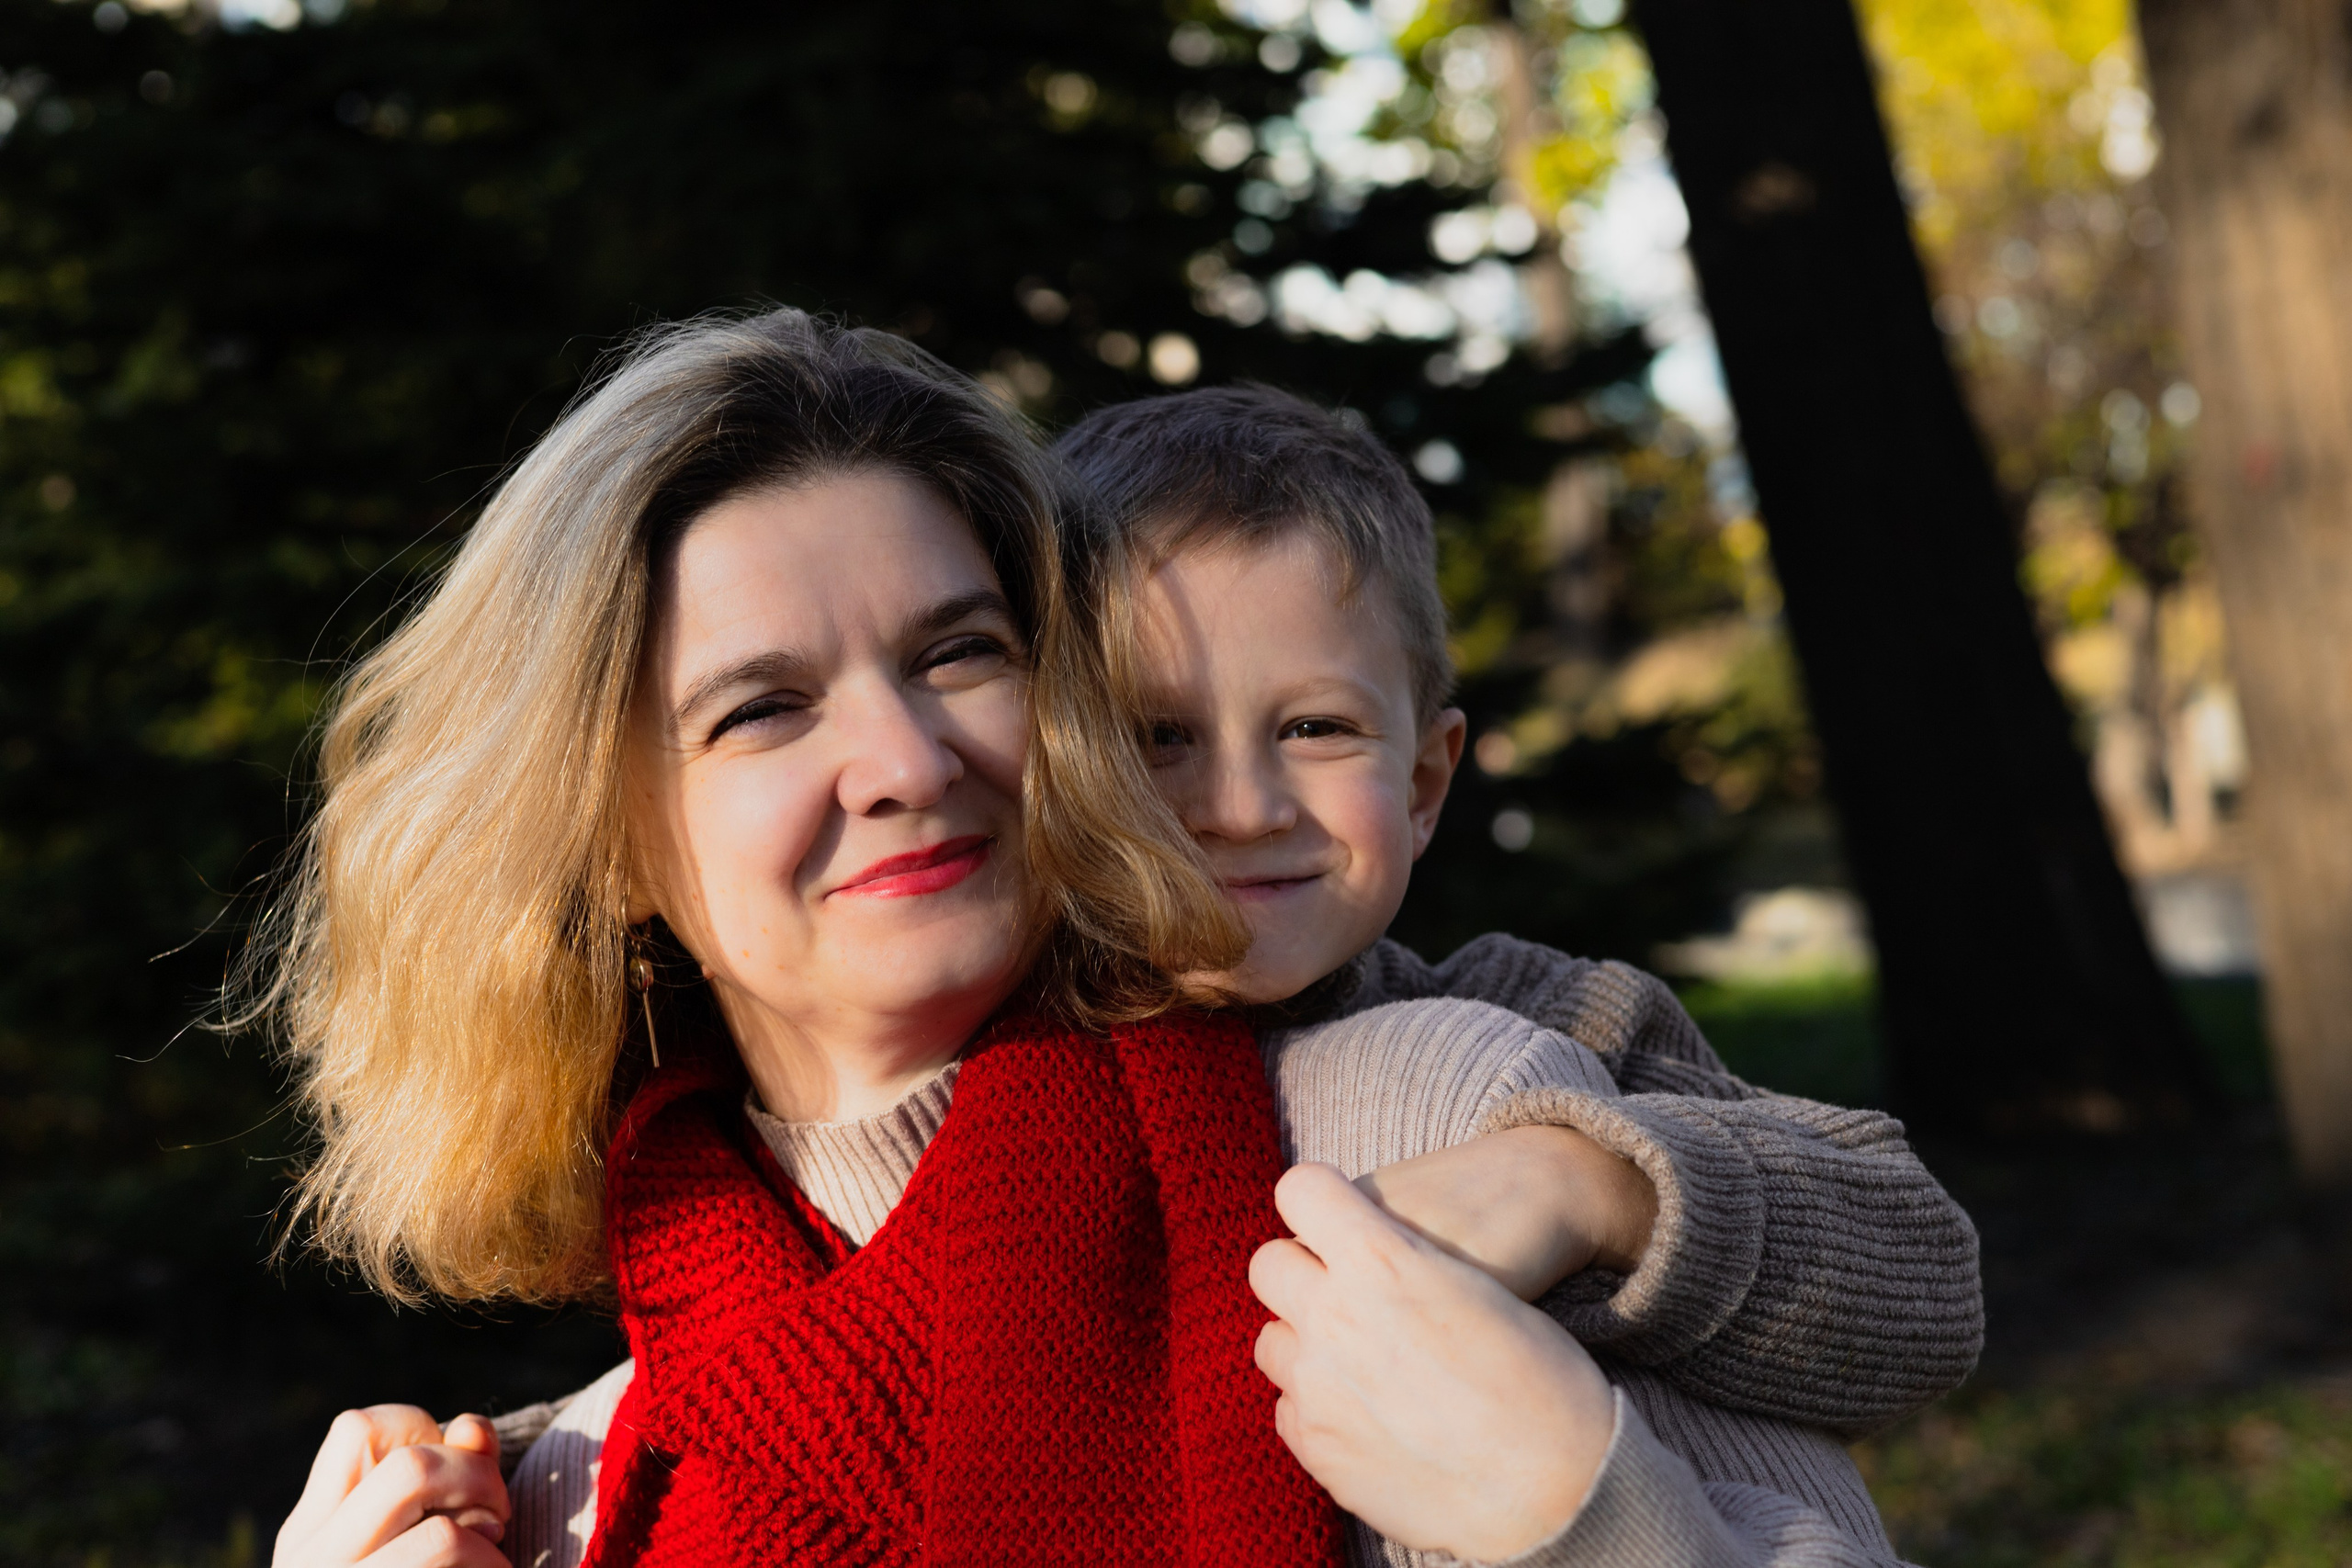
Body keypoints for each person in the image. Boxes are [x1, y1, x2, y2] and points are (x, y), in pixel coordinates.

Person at [259, 310, 1964, 1568]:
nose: (909, 764)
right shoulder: (576, 1478)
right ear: (604, 837)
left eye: (957, 654)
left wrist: (1579, 1514)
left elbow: (1911, 1281)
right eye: (765, 708)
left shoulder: (1427, 1130)